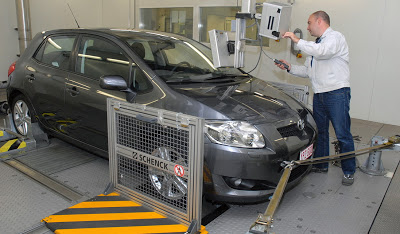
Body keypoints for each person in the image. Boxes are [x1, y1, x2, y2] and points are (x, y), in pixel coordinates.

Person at [275, 11, 356, 186]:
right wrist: (289, 67)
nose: (307, 27)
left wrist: (296, 40)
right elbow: (307, 71)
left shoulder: (335, 38)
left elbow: (323, 52)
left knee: (342, 134)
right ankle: (321, 165)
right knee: (322, 132)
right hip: (319, 95)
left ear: (319, 21)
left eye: (309, 23)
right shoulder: (315, 46)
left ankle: (349, 171)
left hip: (337, 93)